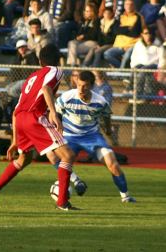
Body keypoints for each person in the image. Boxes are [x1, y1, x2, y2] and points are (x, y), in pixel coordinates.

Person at [0, 44, 79, 211]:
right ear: (58, 59)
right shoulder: (56, 70)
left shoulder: (32, 77)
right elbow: (46, 88)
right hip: (34, 117)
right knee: (68, 155)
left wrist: (15, 141)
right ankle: (62, 202)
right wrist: (54, 114)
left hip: (20, 118)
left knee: (23, 159)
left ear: (40, 61)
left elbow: (15, 111)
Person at [47, 70, 136, 202]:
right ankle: (76, 181)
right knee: (51, 154)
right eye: (79, 85)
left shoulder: (100, 102)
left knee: (112, 163)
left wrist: (108, 130)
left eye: (85, 86)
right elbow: (53, 114)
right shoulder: (66, 97)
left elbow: (106, 117)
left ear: (92, 86)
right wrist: (56, 126)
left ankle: (126, 196)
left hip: (92, 137)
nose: (81, 89)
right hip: (69, 136)